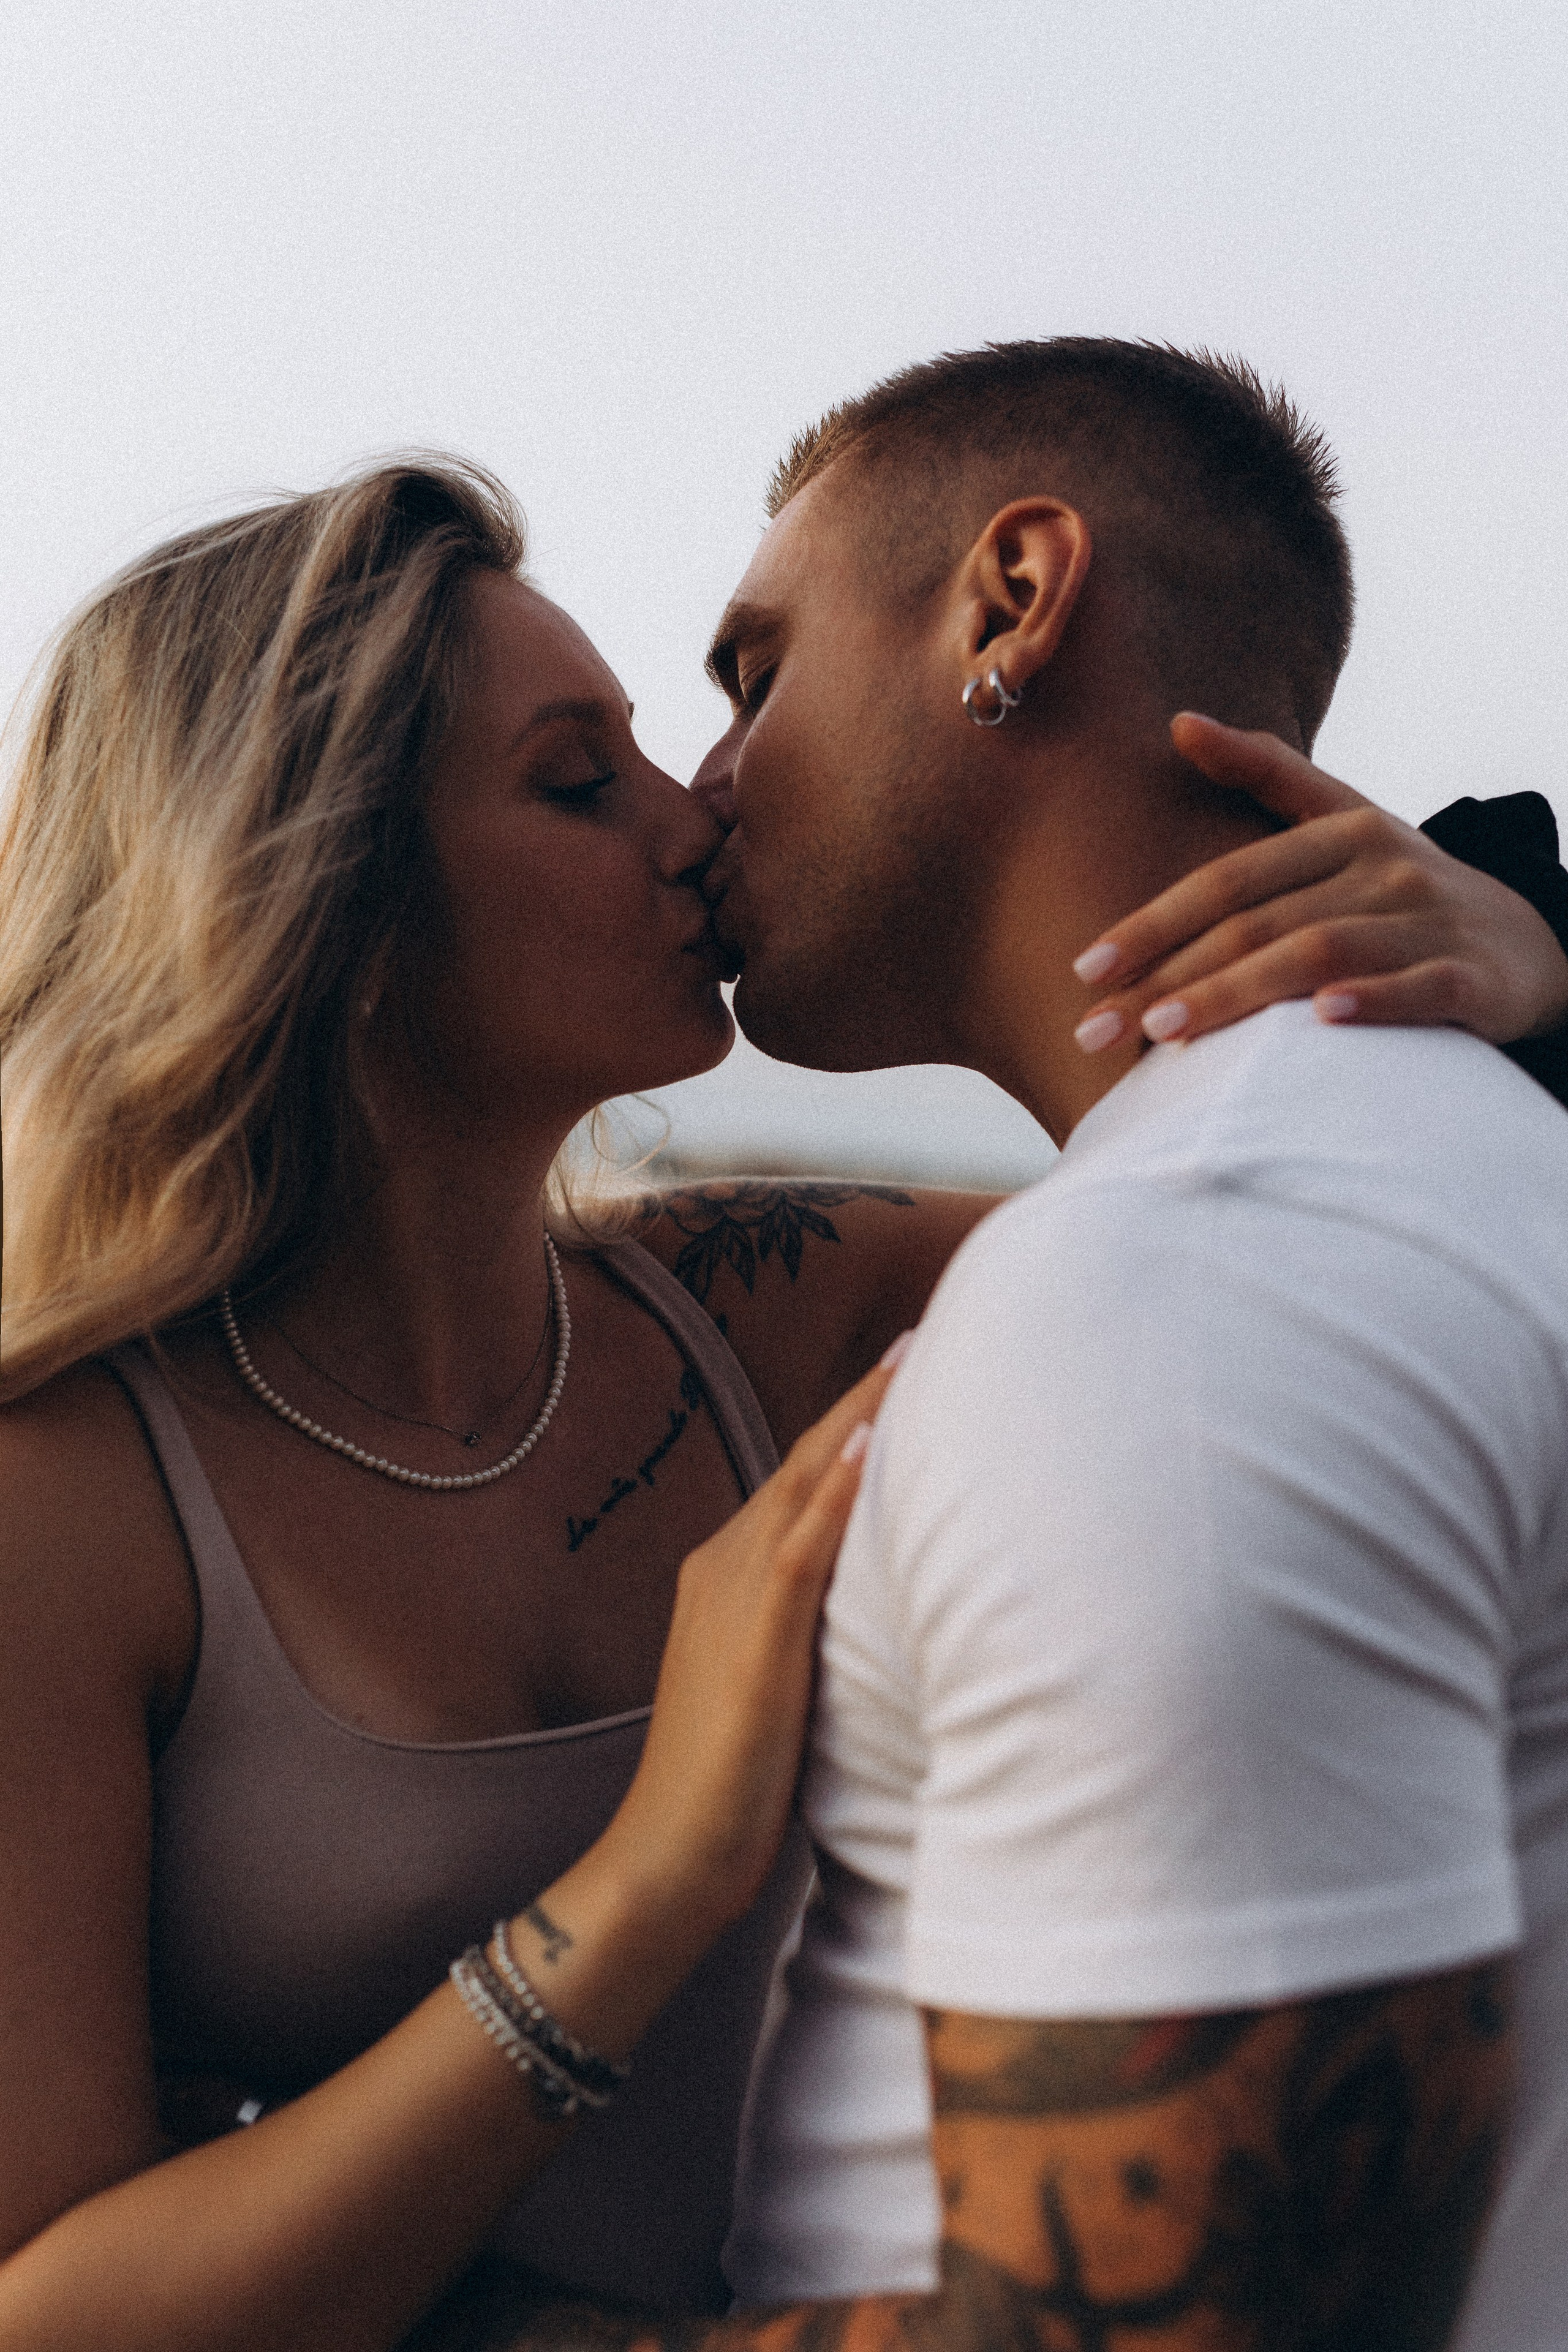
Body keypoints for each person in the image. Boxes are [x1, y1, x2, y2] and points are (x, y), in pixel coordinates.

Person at [0, 442, 1563, 2352]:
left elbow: (1314, 1237)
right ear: (322, 899)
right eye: (579, 782)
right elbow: (45, 2304)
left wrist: (1531, 953)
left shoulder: (771, 1304)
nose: (694, 820)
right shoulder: (63, 1493)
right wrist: (653, 1882)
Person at [497, 340, 1568, 2351]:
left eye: (752, 678)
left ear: (1011, 599)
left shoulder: (1189, 1283)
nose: (707, 792)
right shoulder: (1388, 1162)